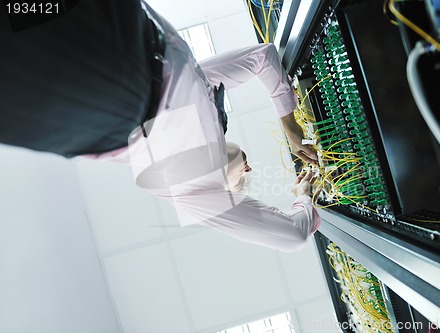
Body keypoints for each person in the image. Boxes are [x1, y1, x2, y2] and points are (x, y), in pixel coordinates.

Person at [0, 0, 320, 251]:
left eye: (241, 182)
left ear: (227, 193)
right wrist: (291, 128)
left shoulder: (193, 195)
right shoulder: (205, 91)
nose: (248, 171)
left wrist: (301, 197)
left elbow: (290, 236)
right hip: (127, 27)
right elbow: (262, 57)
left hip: (101, 109)